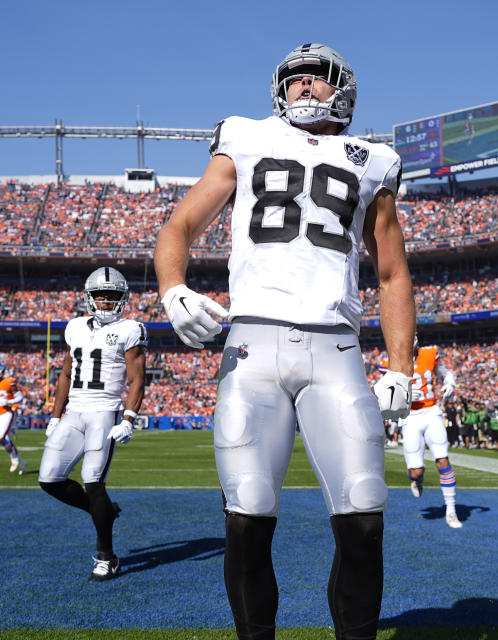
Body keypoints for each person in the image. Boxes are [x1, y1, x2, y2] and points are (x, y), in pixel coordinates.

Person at [152, 43, 415, 640]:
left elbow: (393, 271)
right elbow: (180, 224)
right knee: (247, 514)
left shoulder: (374, 160)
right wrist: (173, 290)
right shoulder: (244, 136)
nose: (301, 87)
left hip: (337, 349)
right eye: (292, 79)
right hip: (253, 344)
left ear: (342, 88)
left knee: (365, 513)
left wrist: (401, 365)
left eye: (314, 79)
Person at [38, 267, 146, 583]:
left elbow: (137, 378)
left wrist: (129, 418)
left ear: (122, 298)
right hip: (75, 411)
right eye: (100, 294)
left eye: (111, 295)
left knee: (93, 481)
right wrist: (56, 415)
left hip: (104, 411)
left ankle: (106, 557)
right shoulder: (74, 327)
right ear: (88, 297)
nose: (105, 300)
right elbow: (65, 374)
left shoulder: (131, 329)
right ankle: (102, 511)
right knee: (49, 479)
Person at [382, 342, 460, 528]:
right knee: (416, 471)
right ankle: (417, 479)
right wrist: (402, 397)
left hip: (431, 411)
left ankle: (451, 511)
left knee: (443, 460)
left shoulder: (430, 354)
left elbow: (444, 372)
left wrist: (450, 382)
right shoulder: (390, 360)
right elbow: (385, 391)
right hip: (409, 416)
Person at [0, 361, 27, 474]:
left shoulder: (9, 382)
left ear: (1, 371)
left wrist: (9, 401)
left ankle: (14, 458)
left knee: (0, 437)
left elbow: (20, 397)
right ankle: (21, 461)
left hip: (7, 413)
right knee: (6, 440)